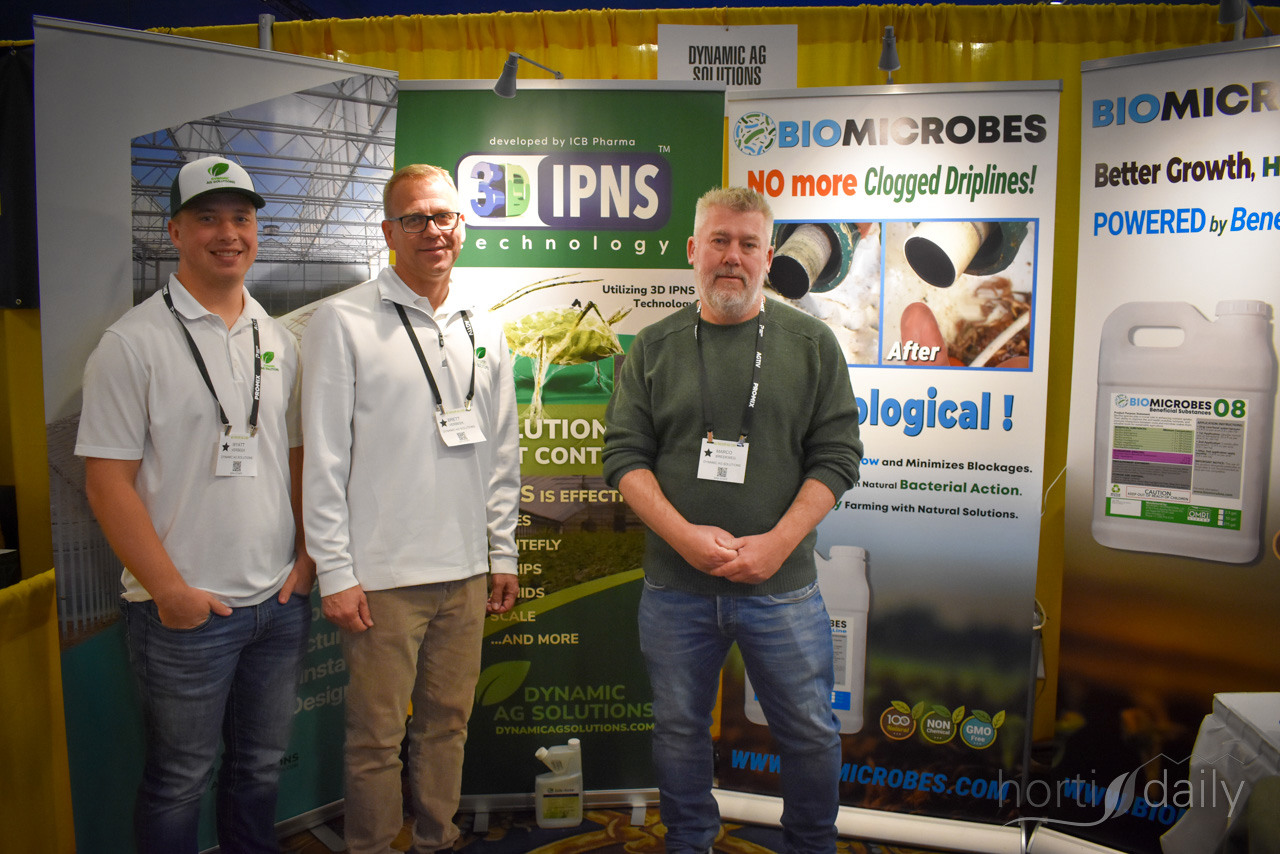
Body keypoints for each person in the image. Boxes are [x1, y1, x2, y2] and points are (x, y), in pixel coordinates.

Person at [603, 186, 863, 854]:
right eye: (719, 240)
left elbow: (838, 457)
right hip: (676, 588)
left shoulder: (812, 343)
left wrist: (778, 544)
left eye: (748, 244)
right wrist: (684, 539)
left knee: (810, 732)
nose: (732, 256)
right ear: (694, 250)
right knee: (678, 731)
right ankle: (689, 842)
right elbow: (624, 457)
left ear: (768, 258)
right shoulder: (653, 347)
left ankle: (812, 845)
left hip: (782, 586)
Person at [76, 155, 314, 854]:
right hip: (185, 614)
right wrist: (171, 592)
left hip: (277, 603)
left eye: (241, 218)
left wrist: (304, 561)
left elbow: (293, 457)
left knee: (259, 769)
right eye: (208, 218)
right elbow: (106, 484)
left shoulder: (277, 338)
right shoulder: (132, 343)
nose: (228, 233)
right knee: (179, 779)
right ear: (175, 232)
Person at [302, 163, 520, 854]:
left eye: (444, 216)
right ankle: (370, 846)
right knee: (376, 738)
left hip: (465, 572)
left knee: (447, 725)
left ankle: (436, 838)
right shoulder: (343, 320)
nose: (433, 230)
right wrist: (336, 571)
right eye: (415, 218)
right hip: (382, 577)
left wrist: (503, 552)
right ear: (389, 231)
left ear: (462, 226)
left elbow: (502, 451)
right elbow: (324, 458)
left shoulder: (483, 324)